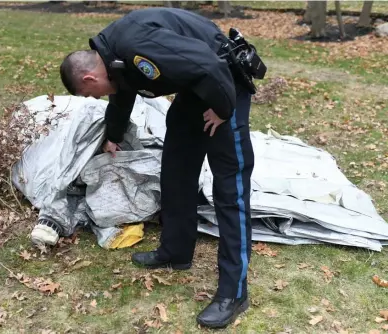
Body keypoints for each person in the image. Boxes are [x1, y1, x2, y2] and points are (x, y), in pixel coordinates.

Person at [58, 7, 258, 329]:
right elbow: (122, 95)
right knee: (176, 169)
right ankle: (176, 252)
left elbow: (209, 64)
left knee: (229, 188)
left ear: (89, 78)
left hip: (224, 81)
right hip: (198, 83)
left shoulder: (136, 46)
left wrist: (222, 109)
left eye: (88, 94)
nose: (93, 97)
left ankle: (234, 293)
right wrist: (113, 136)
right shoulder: (113, 59)